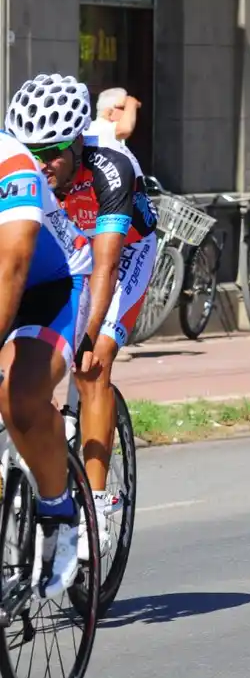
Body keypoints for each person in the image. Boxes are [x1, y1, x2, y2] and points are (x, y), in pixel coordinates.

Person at [8, 74, 159, 560]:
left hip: (126, 251)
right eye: (32, 150)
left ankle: (94, 504)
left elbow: (107, 264)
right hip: (71, 253)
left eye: (53, 151)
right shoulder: (23, 170)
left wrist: (89, 335)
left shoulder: (109, 165)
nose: (41, 163)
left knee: (93, 365)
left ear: (77, 141)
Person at [0, 124, 92, 598]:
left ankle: (59, 511)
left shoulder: (14, 167)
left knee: (20, 393)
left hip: (52, 286)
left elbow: (13, 267)